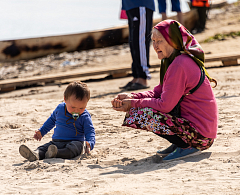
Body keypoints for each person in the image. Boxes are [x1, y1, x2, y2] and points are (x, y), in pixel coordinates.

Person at [112, 20, 218, 162]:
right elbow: (159, 91)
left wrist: (133, 104)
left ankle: (186, 146)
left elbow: (165, 105)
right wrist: (132, 96)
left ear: (172, 41)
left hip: (200, 137)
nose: (155, 46)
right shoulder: (176, 60)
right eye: (153, 41)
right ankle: (180, 143)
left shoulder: (180, 64)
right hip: (202, 133)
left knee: (140, 113)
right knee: (140, 108)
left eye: (159, 41)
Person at [19, 81, 95, 162]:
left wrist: (90, 143)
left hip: (75, 142)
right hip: (56, 142)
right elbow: (51, 121)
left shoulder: (85, 116)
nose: (76, 111)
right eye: (73, 107)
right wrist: (42, 131)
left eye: (81, 108)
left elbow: (90, 131)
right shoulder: (60, 109)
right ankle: (36, 154)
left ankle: (57, 153)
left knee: (75, 148)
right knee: (45, 147)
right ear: (65, 99)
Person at [119, 0, 155, 90]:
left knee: (140, 41)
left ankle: (142, 77)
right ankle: (136, 76)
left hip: (141, 4)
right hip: (130, 5)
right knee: (133, 42)